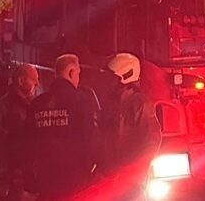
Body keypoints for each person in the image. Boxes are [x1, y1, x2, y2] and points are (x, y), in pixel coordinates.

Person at [26, 54, 101, 200]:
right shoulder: (82, 102)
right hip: (76, 182)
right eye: (78, 73)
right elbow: (91, 140)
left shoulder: (37, 104)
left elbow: (28, 144)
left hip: (45, 184)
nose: (78, 79)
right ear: (71, 72)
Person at [100, 53, 162, 201]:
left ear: (125, 76)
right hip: (112, 179)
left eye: (112, 77)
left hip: (131, 184)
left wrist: (133, 173)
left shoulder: (140, 104)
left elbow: (152, 142)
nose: (108, 82)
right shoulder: (113, 103)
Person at [0, 63, 39, 201]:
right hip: (12, 183)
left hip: (28, 181)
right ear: (21, 81)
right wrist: (1, 183)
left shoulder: (34, 106)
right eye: (34, 80)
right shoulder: (2, 109)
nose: (37, 84)